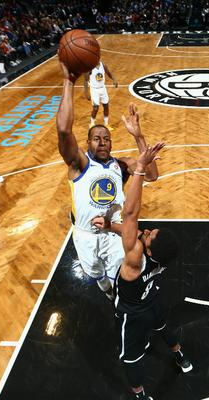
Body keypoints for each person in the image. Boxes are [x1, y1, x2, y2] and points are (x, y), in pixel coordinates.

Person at [56, 61, 158, 299]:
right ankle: (107, 290)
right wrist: (68, 82)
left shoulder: (120, 165)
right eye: (96, 138)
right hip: (85, 234)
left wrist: (139, 137)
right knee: (97, 276)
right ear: (87, 142)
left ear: (111, 143)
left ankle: (117, 300)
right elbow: (63, 130)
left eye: (106, 139)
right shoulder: (79, 164)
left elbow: (152, 175)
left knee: (121, 281)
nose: (102, 142)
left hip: (113, 233)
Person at [107, 142, 192, 400]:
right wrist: (109, 226)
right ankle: (180, 356)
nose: (148, 231)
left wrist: (140, 169)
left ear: (149, 250)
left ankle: (141, 399)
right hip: (151, 301)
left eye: (150, 235)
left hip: (131, 314)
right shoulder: (161, 258)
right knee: (163, 327)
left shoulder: (135, 259)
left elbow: (130, 215)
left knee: (129, 360)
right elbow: (130, 231)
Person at [84, 61, 118, 130]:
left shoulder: (103, 65)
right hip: (94, 90)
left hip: (103, 88)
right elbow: (86, 80)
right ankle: (92, 124)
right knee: (95, 108)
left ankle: (106, 124)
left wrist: (114, 79)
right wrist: (86, 92)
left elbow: (108, 73)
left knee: (106, 106)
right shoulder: (90, 67)